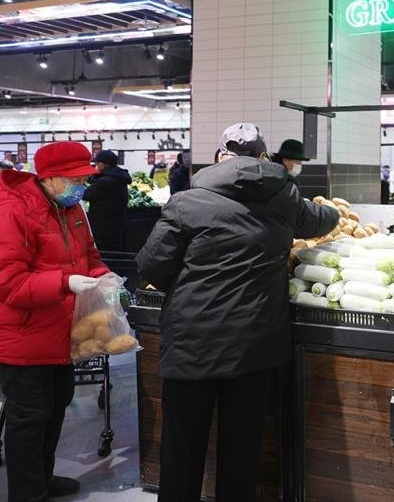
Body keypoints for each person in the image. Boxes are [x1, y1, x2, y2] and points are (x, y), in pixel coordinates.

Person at [136, 123, 338, 502]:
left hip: (192, 344)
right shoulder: (285, 198)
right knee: (242, 450)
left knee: (182, 448)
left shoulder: (187, 202)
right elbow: (321, 220)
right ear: (263, 157)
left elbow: (151, 267)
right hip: (253, 346)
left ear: (219, 158)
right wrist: (333, 215)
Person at [0, 142, 110, 502]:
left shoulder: (71, 208)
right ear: (50, 178)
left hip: (60, 330)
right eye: (75, 179)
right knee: (29, 417)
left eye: (84, 179)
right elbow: (6, 282)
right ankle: (27, 493)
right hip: (22, 335)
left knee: (55, 407)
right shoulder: (13, 213)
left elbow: (89, 254)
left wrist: (102, 277)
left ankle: (42, 478)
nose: (81, 186)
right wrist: (64, 282)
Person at [83, 150, 132, 252]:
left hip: (105, 227)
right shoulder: (117, 176)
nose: (96, 166)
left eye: (97, 163)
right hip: (115, 224)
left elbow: (85, 195)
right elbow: (94, 180)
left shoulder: (106, 182)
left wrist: (79, 183)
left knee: (106, 253)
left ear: (104, 164)